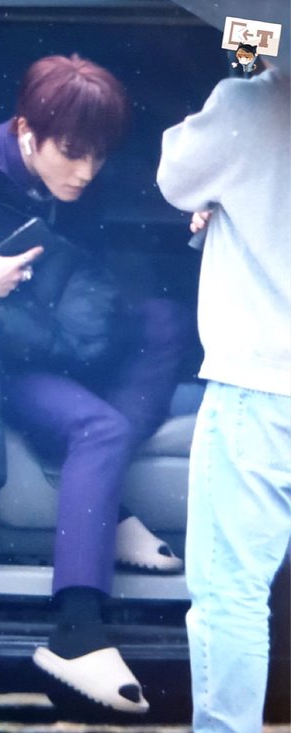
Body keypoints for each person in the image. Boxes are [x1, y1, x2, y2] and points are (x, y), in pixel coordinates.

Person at [0, 54, 190, 713]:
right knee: (99, 426)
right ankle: (76, 630)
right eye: (73, 153)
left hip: (53, 342)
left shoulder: (75, 181)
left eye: (99, 156)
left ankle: (103, 503)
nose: (86, 171)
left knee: (163, 320)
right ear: (25, 130)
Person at [157, 58, 291, 732]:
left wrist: (253, 71)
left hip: (261, 384)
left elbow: (176, 174)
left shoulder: (254, 103)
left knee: (231, 592)